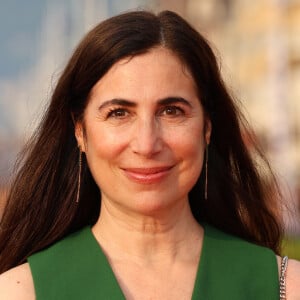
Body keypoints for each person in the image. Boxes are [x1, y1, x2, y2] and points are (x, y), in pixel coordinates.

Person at [0, 10, 299, 300]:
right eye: (119, 113)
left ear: (207, 127)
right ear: (80, 131)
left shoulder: (287, 288)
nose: (146, 143)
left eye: (171, 111)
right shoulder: (19, 292)